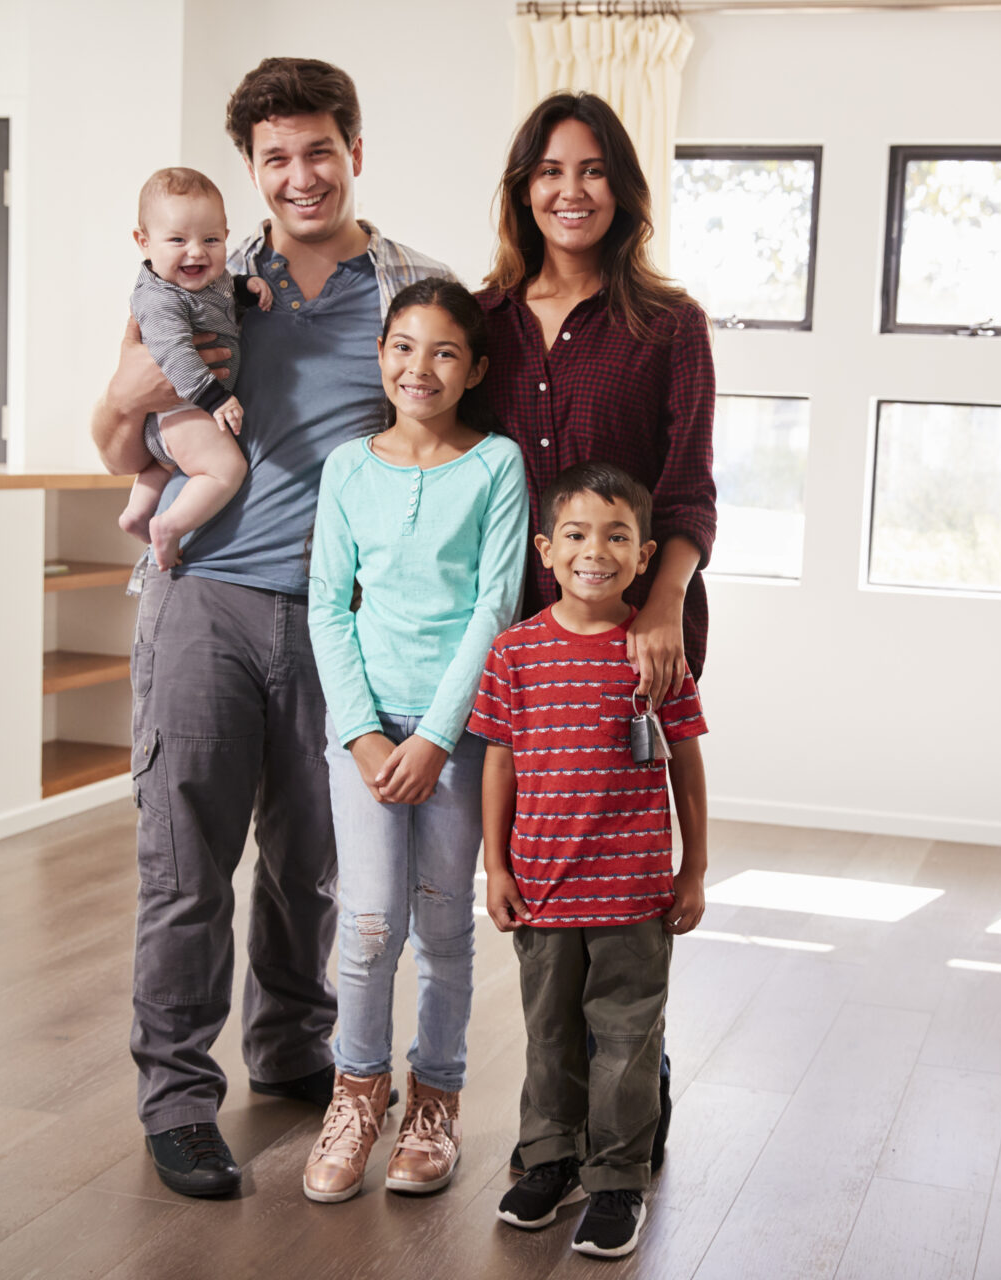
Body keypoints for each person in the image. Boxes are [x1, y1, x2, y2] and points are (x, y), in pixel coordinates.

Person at [88, 57, 449, 1200]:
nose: (301, 175)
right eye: (276, 158)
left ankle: (292, 1049)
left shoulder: (412, 291)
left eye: (320, 150)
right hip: (204, 604)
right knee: (186, 864)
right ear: (251, 171)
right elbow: (116, 433)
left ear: (355, 149)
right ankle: (179, 1102)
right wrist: (125, 405)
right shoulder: (198, 275)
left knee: (316, 865)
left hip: (342, 624)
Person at [478, 89, 716, 1175]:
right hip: (516, 637)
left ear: (621, 189)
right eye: (549, 171)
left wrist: (660, 607)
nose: (569, 191)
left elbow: (689, 492)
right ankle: (554, 1122)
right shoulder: (481, 320)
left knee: (622, 873)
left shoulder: (669, 324)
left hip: (636, 628)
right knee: (539, 874)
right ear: (524, 188)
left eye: (592, 170)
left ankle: (635, 1072)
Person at [299, 279, 527, 1203]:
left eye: (442, 352)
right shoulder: (348, 467)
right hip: (363, 732)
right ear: (381, 355)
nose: (418, 367)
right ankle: (356, 1095)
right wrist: (359, 734)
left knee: (442, 926)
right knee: (366, 923)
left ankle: (435, 1102)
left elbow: (495, 609)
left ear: (474, 368)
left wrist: (437, 737)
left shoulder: (497, 464)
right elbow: (327, 606)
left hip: (459, 735)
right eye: (402, 346)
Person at [472, 462, 709, 1259]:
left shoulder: (655, 653)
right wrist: (496, 868)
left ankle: (616, 1180)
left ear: (644, 556)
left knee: (627, 1042)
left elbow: (685, 759)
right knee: (548, 1038)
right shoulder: (514, 653)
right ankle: (549, 1160)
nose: (594, 551)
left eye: (616, 536)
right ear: (547, 549)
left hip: (635, 896)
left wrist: (695, 867)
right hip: (542, 891)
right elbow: (498, 761)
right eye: (575, 534)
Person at [115, 167, 274, 571]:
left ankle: (137, 514)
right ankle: (167, 527)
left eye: (211, 239)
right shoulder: (158, 299)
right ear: (143, 242)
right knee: (226, 469)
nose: (197, 252)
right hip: (187, 406)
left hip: (178, 417)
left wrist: (244, 290)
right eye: (177, 240)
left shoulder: (206, 279)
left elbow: (217, 296)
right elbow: (175, 354)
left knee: (167, 464)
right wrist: (215, 399)